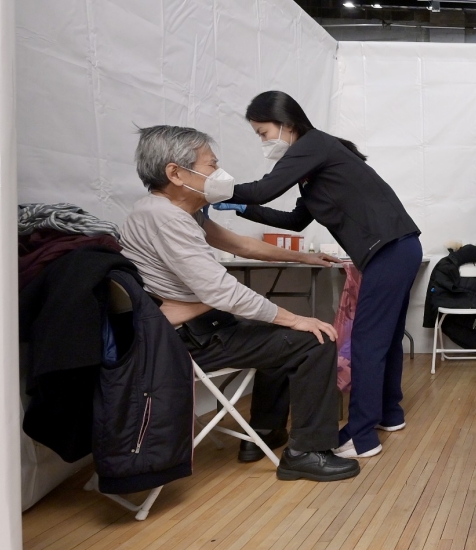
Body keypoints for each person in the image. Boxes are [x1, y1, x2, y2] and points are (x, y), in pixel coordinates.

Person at [120, 125, 360, 482]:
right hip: (189, 340)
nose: (219, 174)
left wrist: (302, 259)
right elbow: (221, 292)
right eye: (211, 165)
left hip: (198, 326)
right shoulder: (165, 217)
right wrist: (295, 319)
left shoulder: (177, 211)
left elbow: (241, 246)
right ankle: (307, 453)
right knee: (313, 340)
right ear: (175, 173)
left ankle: (263, 433)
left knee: (275, 329)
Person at [212, 91, 422, 459]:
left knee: (367, 344)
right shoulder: (311, 168)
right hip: (398, 249)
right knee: (384, 341)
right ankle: (389, 414)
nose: (263, 142)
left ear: (286, 124)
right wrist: (240, 206)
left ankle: (361, 437)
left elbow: (265, 189)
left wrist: (212, 190)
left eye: (263, 133)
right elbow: (294, 220)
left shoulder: (313, 145)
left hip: (389, 251)